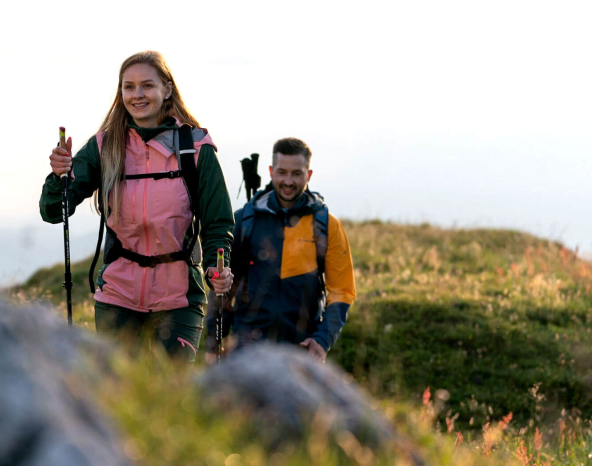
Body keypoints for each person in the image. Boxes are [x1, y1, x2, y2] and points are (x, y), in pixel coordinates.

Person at [40, 51, 234, 363]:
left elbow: (218, 223)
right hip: (118, 294)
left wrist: (215, 267)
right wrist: (58, 176)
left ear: (166, 90)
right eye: (128, 87)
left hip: (179, 297)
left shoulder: (196, 148)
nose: (137, 94)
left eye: (146, 85)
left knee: (171, 392)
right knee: (116, 392)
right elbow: (54, 212)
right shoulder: (105, 146)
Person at [206, 138, 356, 363]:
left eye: (297, 173)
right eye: (282, 172)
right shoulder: (244, 221)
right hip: (246, 349)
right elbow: (222, 291)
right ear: (271, 171)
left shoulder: (327, 225)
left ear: (309, 174)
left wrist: (322, 341)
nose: (288, 181)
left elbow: (342, 291)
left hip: (300, 351)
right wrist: (214, 344)